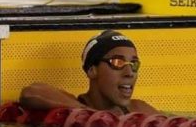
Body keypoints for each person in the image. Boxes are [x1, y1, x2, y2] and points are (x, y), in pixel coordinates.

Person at [20, 30, 157, 115]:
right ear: (92, 70)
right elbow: (30, 93)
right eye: (117, 63)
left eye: (134, 64)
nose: (129, 73)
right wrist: (90, 114)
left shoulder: (137, 109)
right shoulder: (73, 104)